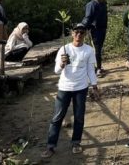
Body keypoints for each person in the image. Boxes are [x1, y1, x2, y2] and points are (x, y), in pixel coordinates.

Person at [42, 23, 99, 158]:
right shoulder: (64, 49)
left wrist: (95, 86)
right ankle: (51, 146)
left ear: (85, 35)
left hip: (81, 88)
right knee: (57, 118)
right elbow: (56, 71)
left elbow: (91, 70)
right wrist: (62, 63)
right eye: (76, 32)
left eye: (82, 32)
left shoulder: (89, 50)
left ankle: (76, 143)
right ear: (72, 33)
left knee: (79, 117)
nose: (79, 34)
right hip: (64, 87)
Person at [81, 0, 108, 77]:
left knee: (99, 49)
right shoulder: (91, 4)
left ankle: (98, 66)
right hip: (94, 30)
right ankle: (97, 69)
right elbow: (88, 17)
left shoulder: (103, 4)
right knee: (96, 49)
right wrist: (83, 27)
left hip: (102, 29)